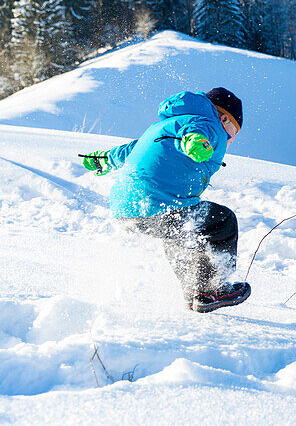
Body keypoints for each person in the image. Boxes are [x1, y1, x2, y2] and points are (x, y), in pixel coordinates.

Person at [81, 88, 251, 313]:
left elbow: (131, 149)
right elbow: (195, 132)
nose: (230, 140)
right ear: (224, 117)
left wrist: (105, 159)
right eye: (232, 133)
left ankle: (197, 292)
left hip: (126, 211)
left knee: (181, 234)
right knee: (223, 221)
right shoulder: (208, 124)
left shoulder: (163, 126)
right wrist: (195, 142)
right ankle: (214, 288)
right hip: (158, 205)